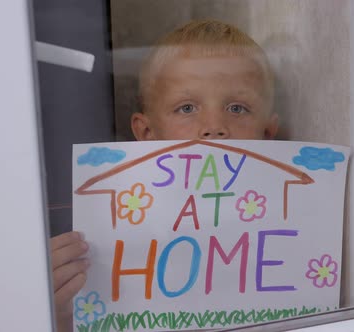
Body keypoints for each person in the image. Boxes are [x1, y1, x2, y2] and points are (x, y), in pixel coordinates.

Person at [50, 19, 278, 331]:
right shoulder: (108, 236)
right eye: (187, 108)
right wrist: (58, 314)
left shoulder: (286, 229)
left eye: (237, 108)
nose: (213, 127)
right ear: (146, 132)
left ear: (267, 134)